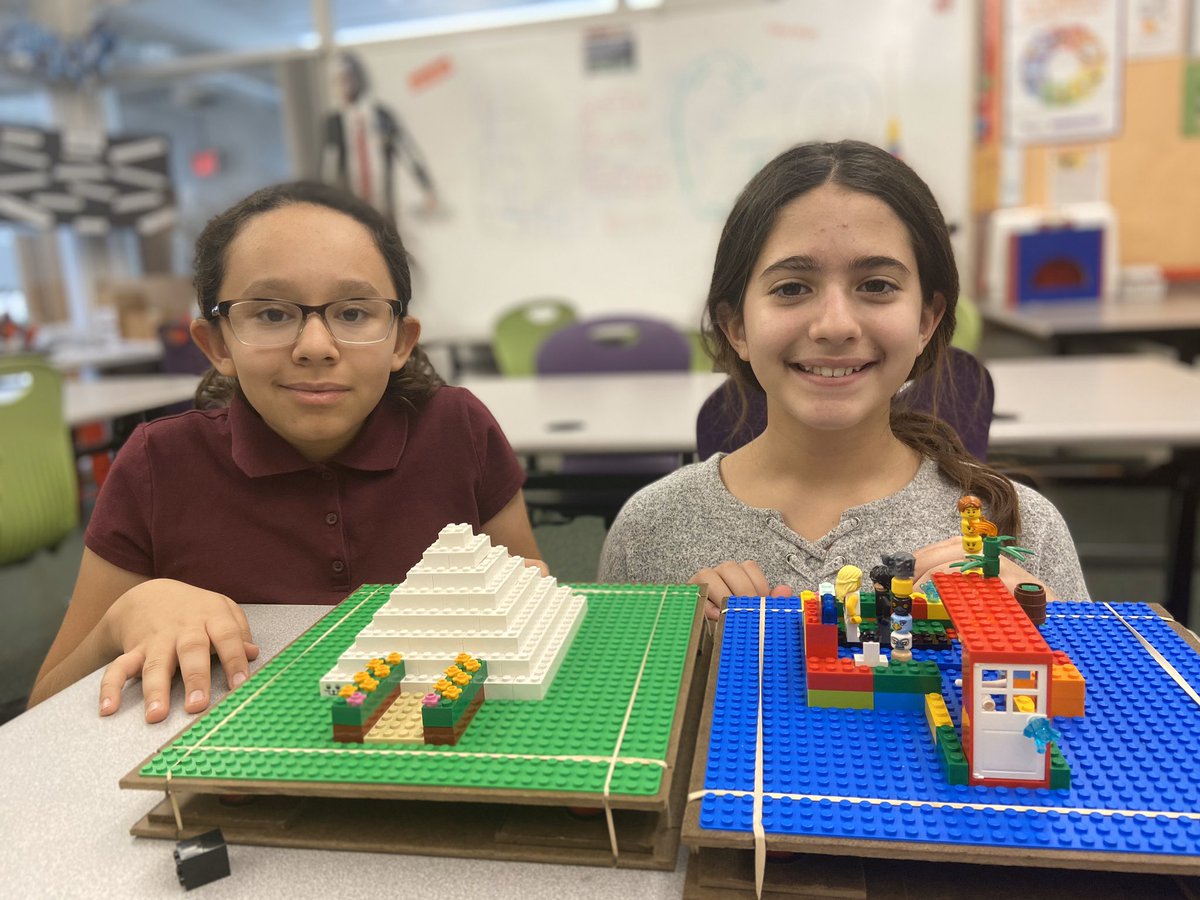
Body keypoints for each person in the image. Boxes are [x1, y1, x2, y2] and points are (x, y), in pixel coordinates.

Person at [30, 181, 542, 721]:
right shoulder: (157, 464)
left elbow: (532, 606)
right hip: (221, 757)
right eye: (272, 314)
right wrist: (121, 620)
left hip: (437, 747)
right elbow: (43, 709)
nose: (316, 348)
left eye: (353, 313)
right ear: (218, 344)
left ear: (399, 340)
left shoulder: (459, 431)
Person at [598, 140, 1089, 618]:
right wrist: (677, 640)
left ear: (927, 320)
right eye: (791, 288)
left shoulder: (1023, 530)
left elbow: (1091, 673)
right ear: (736, 327)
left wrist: (1047, 625)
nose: (835, 326)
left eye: (876, 285)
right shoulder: (650, 532)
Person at [320, 51, 437, 224]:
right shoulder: (334, 122)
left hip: (384, 205)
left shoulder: (382, 116)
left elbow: (408, 152)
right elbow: (328, 164)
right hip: (351, 208)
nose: (343, 85)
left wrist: (426, 187)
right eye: (337, 80)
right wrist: (323, 203)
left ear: (359, 77)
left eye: (347, 77)